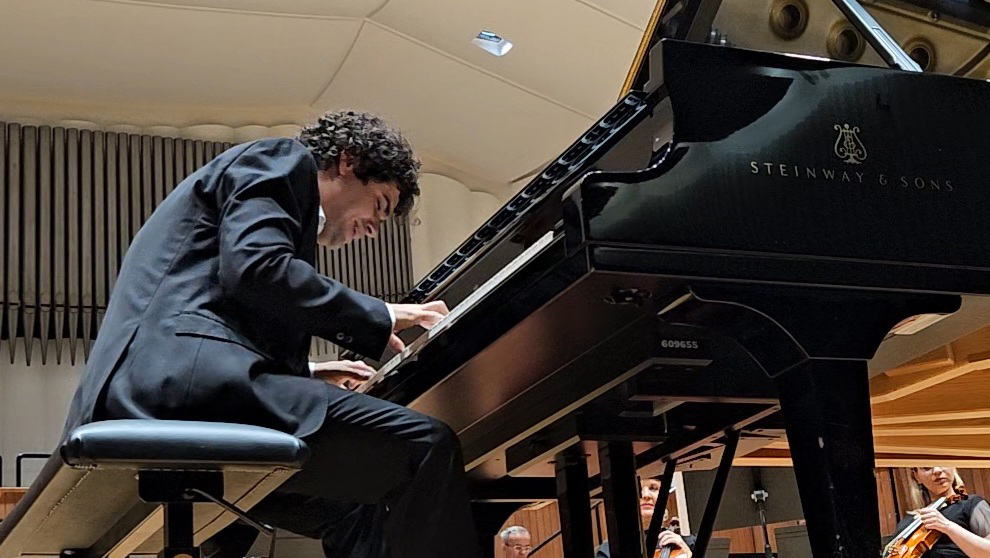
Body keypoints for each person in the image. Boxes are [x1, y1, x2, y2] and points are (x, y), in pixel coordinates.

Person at [60, 110, 481, 558]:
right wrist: (381, 313)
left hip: (162, 390)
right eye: (379, 205)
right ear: (348, 161)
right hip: (184, 393)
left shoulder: (269, 190)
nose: (374, 230)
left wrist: (310, 371)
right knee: (426, 446)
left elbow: (229, 300)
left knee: (354, 508)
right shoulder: (280, 159)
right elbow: (257, 270)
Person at [894, 466, 990, 558]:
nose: (937, 470)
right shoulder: (907, 523)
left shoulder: (971, 504)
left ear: (953, 468)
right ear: (916, 476)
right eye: (927, 468)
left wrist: (947, 526)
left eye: (942, 462)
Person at [596, 476, 694, 558]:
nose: (646, 495)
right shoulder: (608, 551)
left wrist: (689, 554)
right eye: (638, 489)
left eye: (653, 488)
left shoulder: (689, 544)